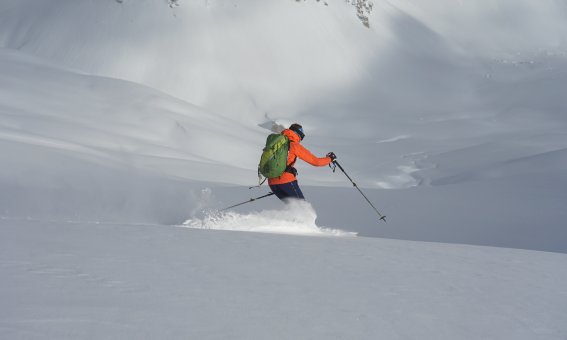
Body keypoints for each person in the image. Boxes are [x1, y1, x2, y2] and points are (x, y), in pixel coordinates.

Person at [268, 123, 336, 201]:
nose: (301, 139)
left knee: (293, 208)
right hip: (286, 181)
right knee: (302, 207)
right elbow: (316, 162)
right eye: (302, 136)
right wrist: (330, 158)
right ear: (297, 134)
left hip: (272, 181)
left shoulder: (276, 143)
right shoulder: (294, 145)